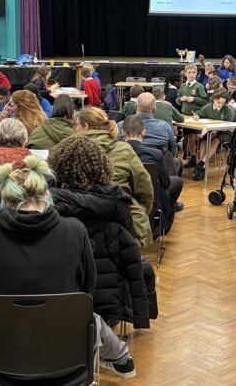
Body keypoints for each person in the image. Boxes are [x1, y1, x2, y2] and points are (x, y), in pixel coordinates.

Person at [0, 155, 136, 379]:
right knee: (89, 317)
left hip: (1, 353)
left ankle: (121, 358)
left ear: (4, 197)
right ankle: (122, 359)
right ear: (47, 194)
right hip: (65, 356)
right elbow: (86, 289)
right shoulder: (74, 230)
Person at [47, 135, 152, 331]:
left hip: (59, 296)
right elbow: (129, 251)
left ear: (56, 166)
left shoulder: (45, 203)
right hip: (108, 304)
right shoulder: (118, 203)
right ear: (102, 166)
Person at [75, 106, 154, 248]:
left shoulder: (69, 149)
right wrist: (140, 209)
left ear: (85, 126)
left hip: (79, 223)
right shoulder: (124, 149)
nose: (75, 129)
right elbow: (144, 186)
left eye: (77, 125)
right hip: (123, 225)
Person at [122, 115, 183, 227]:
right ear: (143, 133)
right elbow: (166, 183)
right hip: (151, 195)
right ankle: (164, 223)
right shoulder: (155, 154)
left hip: (123, 195)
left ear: (123, 133)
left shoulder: (117, 153)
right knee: (177, 181)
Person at [192, 90, 235, 181]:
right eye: (218, 102)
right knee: (203, 141)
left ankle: (201, 163)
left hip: (225, 132)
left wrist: (216, 130)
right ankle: (202, 168)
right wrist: (196, 116)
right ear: (213, 99)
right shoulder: (208, 107)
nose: (220, 105)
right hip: (212, 131)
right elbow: (198, 113)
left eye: (223, 103)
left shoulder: (228, 110)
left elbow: (228, 126)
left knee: (215, 140)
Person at [178, 64, 208, 167]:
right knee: (190, 136)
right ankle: (193, 158)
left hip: (196, 116)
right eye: (189, 72)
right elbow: (177, 99)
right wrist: (181, 99)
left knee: (198, 136)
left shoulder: (199, 86)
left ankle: (202, 159)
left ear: (196, 73)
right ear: (185, 74)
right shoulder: (183, 86)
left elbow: (204, 101)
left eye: (194, 72)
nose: (192, 74)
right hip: (185, 116)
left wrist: (194, 99)